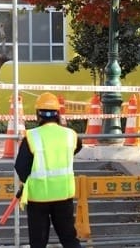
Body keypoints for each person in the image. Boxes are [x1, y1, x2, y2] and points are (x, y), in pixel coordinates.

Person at [14, 92, 83, 248]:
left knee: (38, 242)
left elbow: (21, 168)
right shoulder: (70, 135)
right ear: (58, 113)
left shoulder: (31, 136)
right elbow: (77, 148)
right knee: (69, 239)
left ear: (38, 114)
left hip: (38, 199)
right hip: (63, 196)